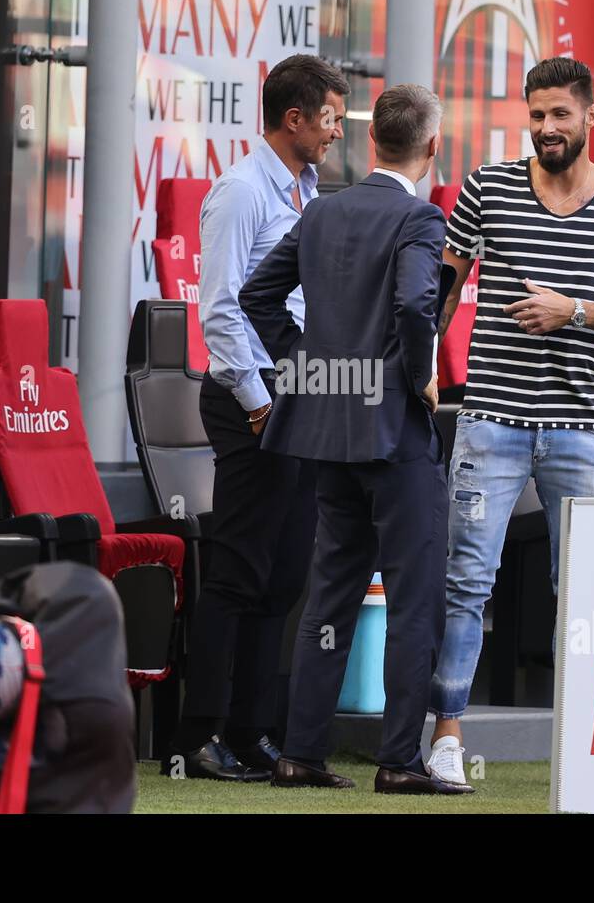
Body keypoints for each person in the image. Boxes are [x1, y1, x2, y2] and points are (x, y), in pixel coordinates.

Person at [427, 57, 594, 785]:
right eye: (536, 115)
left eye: (560, 114)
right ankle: (445, 734)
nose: (545, 128)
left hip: (581, 426)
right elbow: (442, 285)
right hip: (490, 419)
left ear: (591, 118)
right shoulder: (487, 187)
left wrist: (576, 310)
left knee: (587, 587)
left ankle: (590, 743)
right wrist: (421, 367)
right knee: (467, 579)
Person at [239, 84, 470, 795]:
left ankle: (300, 752)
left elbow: (255, 296)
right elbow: (412, 303)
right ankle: (399, 760)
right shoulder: (420, 220)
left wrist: (310, 364)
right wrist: (418, 374)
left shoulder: (324, 212)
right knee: (414, 597)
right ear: (433, 147)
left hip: (329, 429)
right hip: (394, 433)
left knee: (332, 596)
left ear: (372, 143)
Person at [165, 55, 349, 782]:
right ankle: (197, 736)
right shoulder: (240, 191)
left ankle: (251, 730)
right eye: (330, 117)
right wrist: (258, 402)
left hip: (299, 392)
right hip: (254, 399)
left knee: (283, 573)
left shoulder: (309, 192)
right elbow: (219, 310)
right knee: (239, 570)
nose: (337, 131)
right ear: (295, 119)